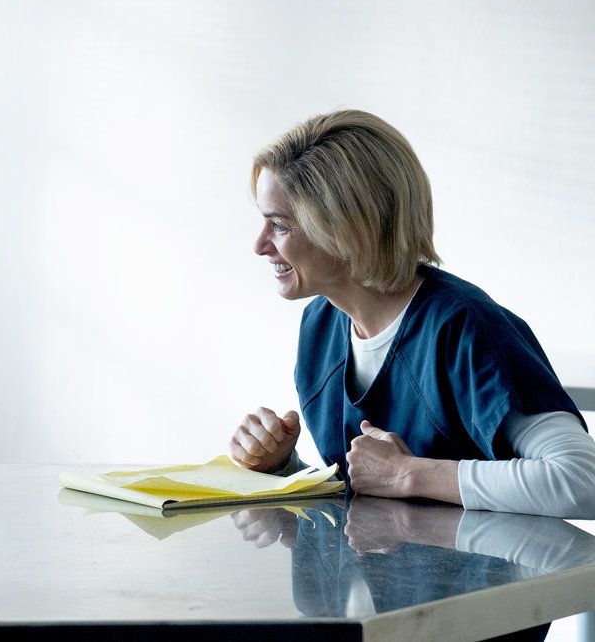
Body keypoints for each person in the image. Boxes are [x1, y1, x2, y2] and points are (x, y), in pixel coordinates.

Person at [229, 109, 595, 518]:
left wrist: (409, 474)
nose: (259, 245)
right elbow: (364, 493)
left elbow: (581, 480)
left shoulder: (466, 329)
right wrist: (282, 468)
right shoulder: (322, 325)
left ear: (347, 227)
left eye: (278, 225)